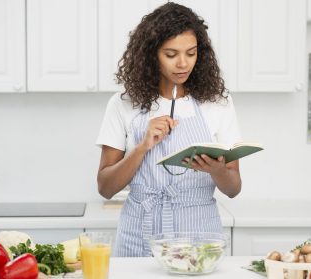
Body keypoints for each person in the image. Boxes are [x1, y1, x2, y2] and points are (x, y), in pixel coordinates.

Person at [96, 2, 242, 257]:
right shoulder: (123, 103)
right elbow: (105, 187)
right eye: (171, 54)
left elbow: (233, 188)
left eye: (191, 53)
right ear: (151, 54)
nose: (183, 64)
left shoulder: (218, 103)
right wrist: (142, 147)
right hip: (139, 236)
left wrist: (216, 169)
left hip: (199, 238)